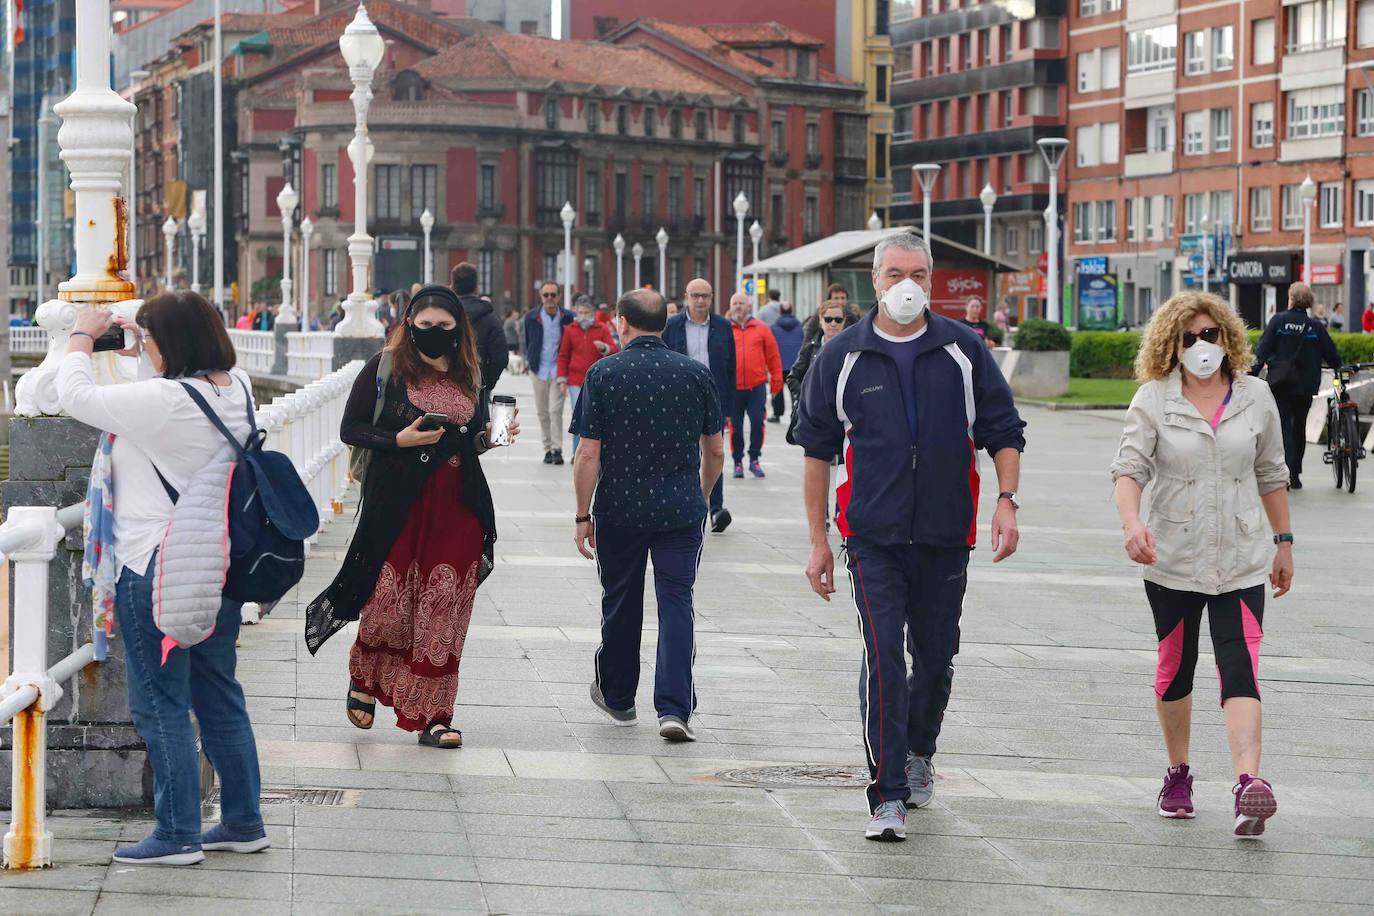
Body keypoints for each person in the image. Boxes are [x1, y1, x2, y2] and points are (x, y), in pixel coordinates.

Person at [793, 233, 1026, 842]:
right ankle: (886, 793)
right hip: (871, 535)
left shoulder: (963, 350)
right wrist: (818, 540)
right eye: (895, 272)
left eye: (918, 274)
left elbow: (1003, 429)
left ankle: (920, 749)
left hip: (947, 534)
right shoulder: (842, 355)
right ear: (875, 279)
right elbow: (816, 453)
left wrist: (1006, 501)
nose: (907, 284)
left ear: (931, 281)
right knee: (884, 660)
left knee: (935, 659)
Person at [57, 291, 267, 865]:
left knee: (160, 703)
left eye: (148, 340)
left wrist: (80, 334)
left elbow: (72, 394)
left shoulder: (166, 401)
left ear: (166, 344)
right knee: (218, 693)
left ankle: (177, 833)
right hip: (217, 563)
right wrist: (137, 336)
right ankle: (244, 820)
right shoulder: (236, 387)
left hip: (157, 564)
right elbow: (151, 386)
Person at [1111, 290, 1292, 838]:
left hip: (1240, 559)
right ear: (1172, 343)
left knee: (1241, 667)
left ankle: (1248, 785)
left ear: (1228, 338)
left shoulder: (1256, 397)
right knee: (1176, 667)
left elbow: (1272, 473)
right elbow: (1128, 470)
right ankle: (1178, 773)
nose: (1201, 346)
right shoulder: (1153, 398)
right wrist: (1132, 524)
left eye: (1209, 335)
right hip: (1173, 558)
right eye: (1188, 337)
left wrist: (1283, 541)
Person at [306, 285, 517, 750]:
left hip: (458, 507)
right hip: (396, 505)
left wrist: (491, 438)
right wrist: (398, 441)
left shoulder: (469, 373)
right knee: (388, 602)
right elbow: (351, 428)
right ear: (409, 326)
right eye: (426, 327)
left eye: (445, 327)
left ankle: (435, 715)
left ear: (458, 329)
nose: (435, 334)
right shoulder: (385, 367)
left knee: (444, 607)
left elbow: (469, 439)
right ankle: (365, 677)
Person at [573, 289, 724, 742]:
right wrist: (699, 493)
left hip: (619, 509)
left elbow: (586, 453)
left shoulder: (603, 373)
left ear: (621, 322)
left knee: (621, 601)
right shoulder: (696, 374)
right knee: (677, 602)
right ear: (665, 323)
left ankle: (619, 699)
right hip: (680, 510)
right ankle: (674, 707)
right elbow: (715, 450)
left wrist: (583, 515)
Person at [663, 278, 737, 533]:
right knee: (682, 454)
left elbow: (730, 368)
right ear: (686, 296)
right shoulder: (672, 326)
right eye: (695, 295)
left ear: (712, 297)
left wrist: (729, 404)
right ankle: (683, 505)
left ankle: (715, 508)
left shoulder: (723, 326)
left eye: (705, 295)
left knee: (714, 453)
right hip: (678, 400)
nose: (700, 300)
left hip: (713, 399)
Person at [1251, 283, 1341, 489]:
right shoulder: (1315, 327)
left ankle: (1283, 471)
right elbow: (1331, 354)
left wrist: (1252, 374)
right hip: (1306, 387)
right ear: (1309, 302)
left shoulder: (1279, 321)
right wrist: (1340, 367)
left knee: (1282, 426)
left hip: (1281, 384)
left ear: (1290, 299)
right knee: (1299, 427)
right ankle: (1295, 474)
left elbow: (1262, 350)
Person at [785, 299, 857, 445]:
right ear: (821, 321)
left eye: (838, 319)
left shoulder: (853, 349)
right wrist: (806, 396)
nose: (833, 324)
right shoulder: (810, 349)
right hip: (817, 414)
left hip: (845, 412)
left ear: (844, 322)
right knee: (817, 456)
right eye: (828, 319)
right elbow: (793, 377)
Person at [728, 292, 784, 479]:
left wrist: (777, 383)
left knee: (757, 423)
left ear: (749, 306)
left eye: (741, 303)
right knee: (735, 426)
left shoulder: (762, 329)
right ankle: (737, 461)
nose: (738, 306)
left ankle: (754, 459)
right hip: (733, 388)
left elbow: (773, 357)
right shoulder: (724, 328)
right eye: (735, 303)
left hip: (756, 387)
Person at [558, 294, 619, 456]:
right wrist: (562, 380)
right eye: (580, 312)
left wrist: (604, 348)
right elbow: (563, 355)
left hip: (597, 381)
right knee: (578, 416)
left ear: (592, 313)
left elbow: (614, 349)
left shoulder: (601, 328)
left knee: (597, 416)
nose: (583, 316)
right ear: (576, 312)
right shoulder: (570, 330)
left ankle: (596, 452)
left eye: (586, 313)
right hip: (575, 381)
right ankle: (576, 452)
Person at [523, 281, 574, 465]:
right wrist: (528, 361)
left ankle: (557, 448)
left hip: (558, 371)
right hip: (538, 370)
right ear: (541, 296)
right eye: (546, 295)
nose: (550, 299)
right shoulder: (531, 317)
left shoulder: (569, 317)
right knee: (542, 412)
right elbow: (527, 341)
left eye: (553, 295)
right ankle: (547, 449)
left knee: (555, 411)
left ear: (559, 297)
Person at [451, 262, 509, 393]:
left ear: (452, 286)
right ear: (476, 288)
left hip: (446, 383)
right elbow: (500, 358)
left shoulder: (445, 314)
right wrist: (486, 382)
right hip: (477, 383)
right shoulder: (490, 317)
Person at [769, 301, 804, 423]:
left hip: (779, 363)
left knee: (778, 389)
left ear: (780, 312)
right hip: (796, 363)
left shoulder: (773, 328)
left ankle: (777, 414)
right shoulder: (800, 327)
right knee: (795, 389)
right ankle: (796, 413)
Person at [503, 305, 524, 374]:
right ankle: (514, 368)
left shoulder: (507, 321)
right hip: (513, 341)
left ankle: (510, 367)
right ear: (511, 315)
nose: (516, 315)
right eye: (514, 314)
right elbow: (518, 331)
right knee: (514, 356)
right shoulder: (511, 322)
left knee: (511, 356)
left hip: (509, 340)